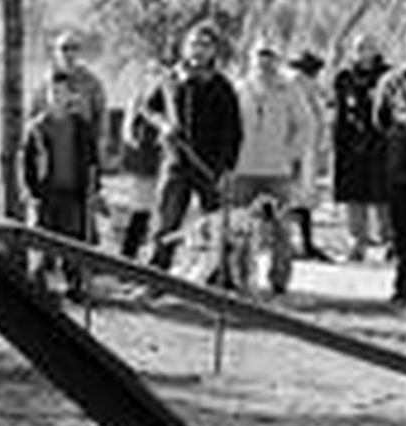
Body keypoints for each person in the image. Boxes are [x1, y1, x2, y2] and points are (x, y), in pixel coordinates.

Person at [145, 23, 243, 273]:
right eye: (193, 44)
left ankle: (218, 277)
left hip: (210, 167)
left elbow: (235, 131)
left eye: (205, 45)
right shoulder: (171, 79)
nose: (198, 50)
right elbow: (149, 108)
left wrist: (228, 168)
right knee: (166, 223)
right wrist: (164, 125)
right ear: (185, 48)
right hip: (176, 163)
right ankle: (157, 275)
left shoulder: (222, 86)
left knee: (216, 227)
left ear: (213, 51)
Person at [228, 38, 312, 294]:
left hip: (278, 172)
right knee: (241, 229)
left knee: (281, 230)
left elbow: (304, 125)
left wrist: (289, 154)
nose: (264, 61)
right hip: (243, 169)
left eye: (269, 55)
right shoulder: (239, 87)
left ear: (277, 59)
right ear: (252, 58)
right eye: (259, 55)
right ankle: (242, 278)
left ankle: (279, 280)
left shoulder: (289, 89)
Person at [22, 70, 102, 302]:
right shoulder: (37, 128)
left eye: (62, 92)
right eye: (53, 92)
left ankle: (75, 285)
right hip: (45, 193)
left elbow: (92, 158)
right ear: (46, 95)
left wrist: (94, 187)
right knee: (41, 240)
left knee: (72, 240)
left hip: (73, 192)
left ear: (70, 95)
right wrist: (31, 191)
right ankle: (38, 285)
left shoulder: (81, 126)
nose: (57, 96)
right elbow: (26, 163)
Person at [373, 21, 406, 307]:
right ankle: (403, 289)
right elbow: (379, 120)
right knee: (404, 236)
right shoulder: (392, 80)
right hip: (403, 167)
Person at [332, 33, 391, 262]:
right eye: (358, 47)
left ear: (376, 49)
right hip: (351, 146)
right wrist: (338, 143)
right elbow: (339, 114)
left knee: (383, 197)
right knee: (354, 196)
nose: (363, 51)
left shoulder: (388, 75)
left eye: (367, 47)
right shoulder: (344, 77)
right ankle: (357, 244)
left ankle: (390, 242)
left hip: (380, 144)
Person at [117, 58, 167, 261]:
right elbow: (128, 133)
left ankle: (154, 254)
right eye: (151, 71)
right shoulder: (138, 98)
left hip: (164, 160)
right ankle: (128, 255)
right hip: (145, 161)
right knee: (141, 208)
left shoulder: (170, 96)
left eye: (159, 72)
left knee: (161, 211)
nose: (155, 76)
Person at [286, 49, 332, 262]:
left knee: (304, 199)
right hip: (295, 151)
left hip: (308, 151)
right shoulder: (293, 85)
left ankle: (305, 244)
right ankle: (293, 243)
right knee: (292, 198)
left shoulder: (309, 87)